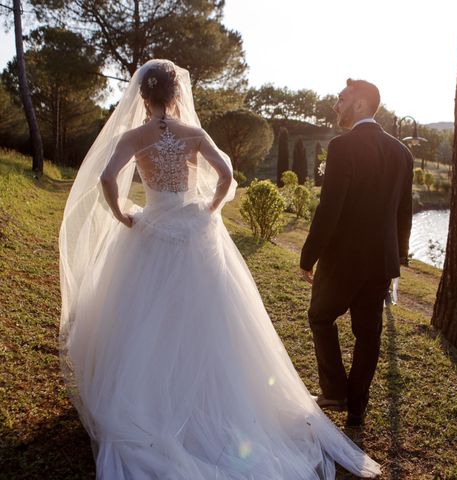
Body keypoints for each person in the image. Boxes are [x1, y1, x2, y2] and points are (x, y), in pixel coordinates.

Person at [58, 59, 381, 480]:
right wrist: (209, 209)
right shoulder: (194, 133)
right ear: (177, 96)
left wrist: (123, 215)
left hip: (152, 226)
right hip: (193, 228)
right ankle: (214, 398)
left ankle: (151, 398)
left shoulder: (133, 136)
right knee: (209, 315)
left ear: (143, 95)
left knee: (145, 314)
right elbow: (226, 175)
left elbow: (105, 177)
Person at [300, 79, 414, 429]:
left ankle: (334, 390)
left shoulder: (342, 147)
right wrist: (399, 257)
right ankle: (356, 410)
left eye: (342, 99)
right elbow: (404, 211)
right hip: (381, 261)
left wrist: (309, 257)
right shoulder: (402, 153)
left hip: (343, 260)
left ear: (361, 105)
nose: (336, 104)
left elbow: (329, 209)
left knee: (321, 317)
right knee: (368, 335)